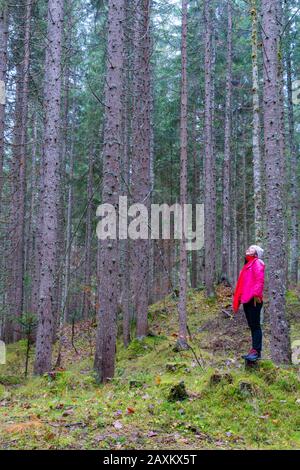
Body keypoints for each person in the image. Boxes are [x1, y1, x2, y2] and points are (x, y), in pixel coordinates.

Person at [233, 245, 265, 361]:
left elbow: (259, 279)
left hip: (254, 299)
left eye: (252, 249)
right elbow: (241, 285)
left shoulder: (257, 262)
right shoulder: (247, 266)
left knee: (255, 326)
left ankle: (256, 351)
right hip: (246, 299)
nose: (248, 249)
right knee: (252, 326)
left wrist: (256, 295)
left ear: (256, 253)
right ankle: (254, 350)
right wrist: (238, 300)